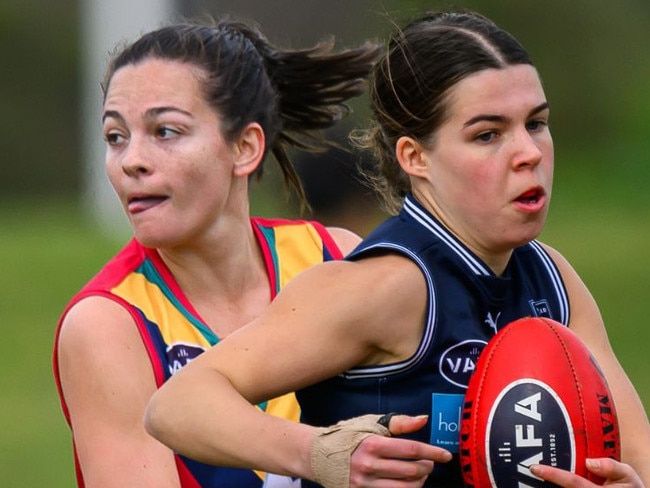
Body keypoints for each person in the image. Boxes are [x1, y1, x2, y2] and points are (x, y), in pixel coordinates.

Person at [143, 10, 650, 488]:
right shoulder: (387, 285)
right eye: (488, 134)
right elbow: (179, 404)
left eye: (536, 123)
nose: (530, 153)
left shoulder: (553, 282)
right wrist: (318, 451)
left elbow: (638, 457)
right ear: (415, 156)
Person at [52, 17, 382, 488]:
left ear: (245, 148)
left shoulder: (338, 258)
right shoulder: (109, 325)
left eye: (165, 131)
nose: (130, 161)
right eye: (115, 137)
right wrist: (316, 457)